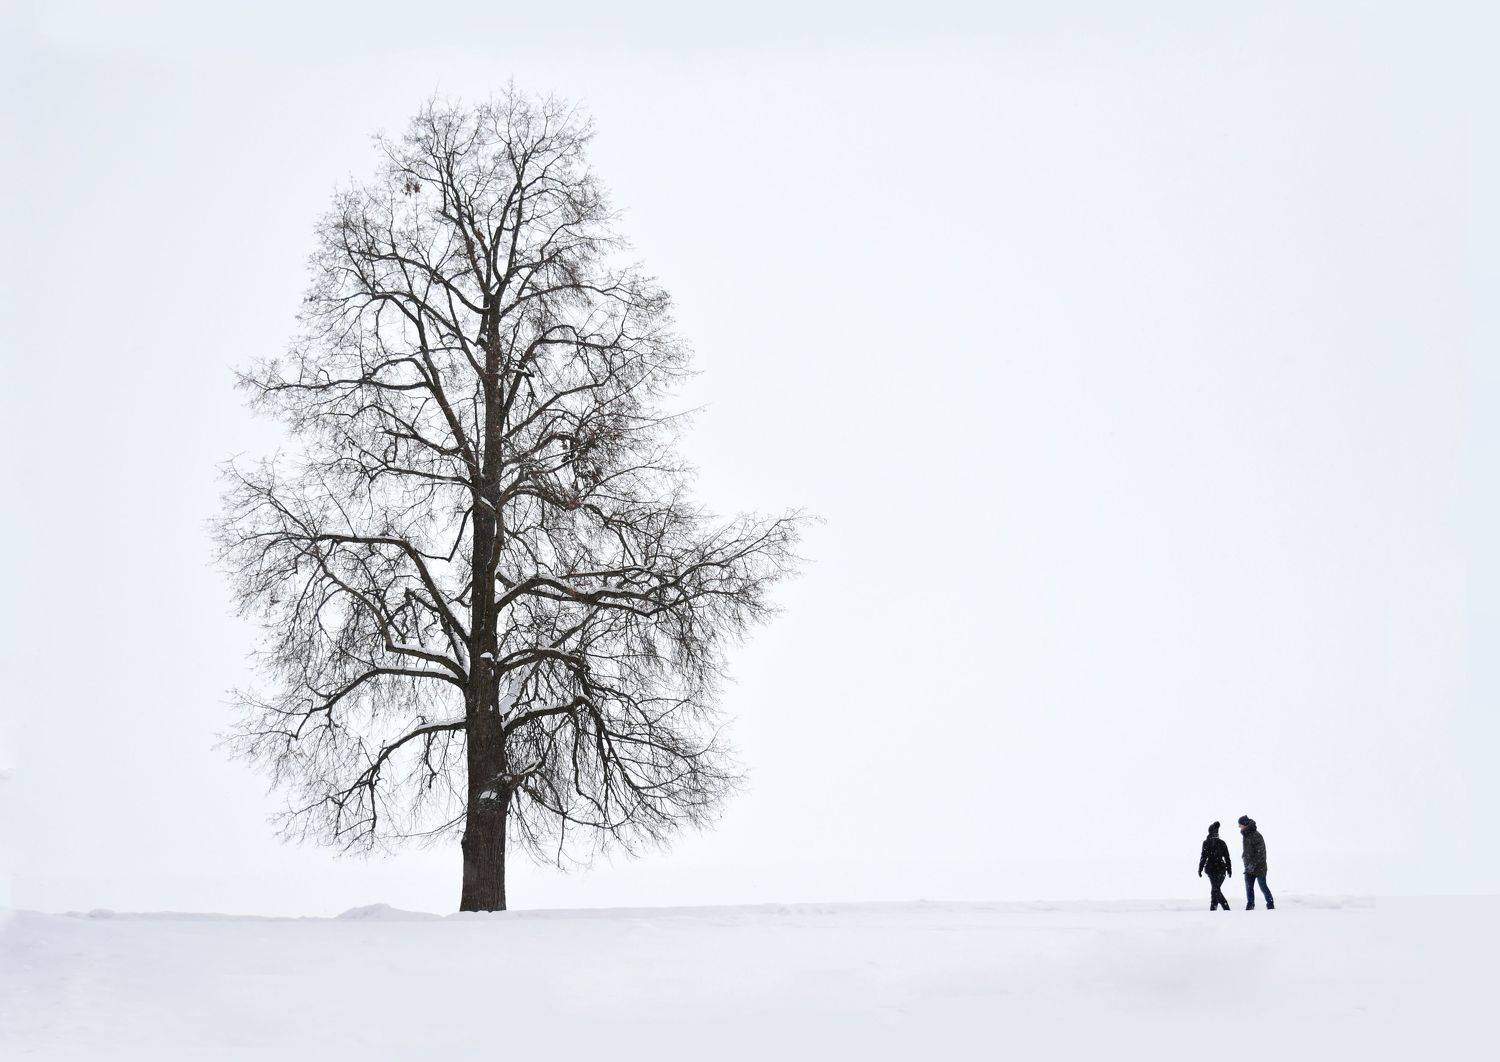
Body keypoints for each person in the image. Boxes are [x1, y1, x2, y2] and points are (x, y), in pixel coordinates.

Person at [1238, 815, 1274, 910]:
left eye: (1240, 824)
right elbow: (1248, 850)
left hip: (1259, 867)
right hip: (1249, 866)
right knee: (1249, 887)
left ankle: (1270, 904)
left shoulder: (1256, 835)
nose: (1239, 826)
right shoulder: (1245, 835)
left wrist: (1252, 864)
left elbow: (1260, 853)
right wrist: (1244, 857)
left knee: (1263, 886)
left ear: (1245, 824)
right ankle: (1250, 905)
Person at [1198, 822, 1233, 910]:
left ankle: (1222, 909)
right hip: (1218, 870)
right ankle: (1217, 909)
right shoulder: (1218, 843)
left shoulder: (1208, 843)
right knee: (1215, 890)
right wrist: (1229, 869)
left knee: (1215, 890)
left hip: (1215, 870)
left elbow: (1203, 857)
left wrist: (1200, 869)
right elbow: (1227, 857)